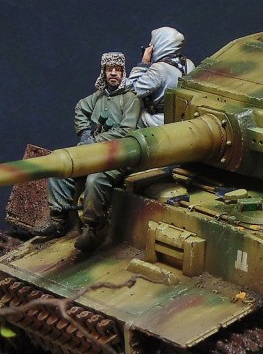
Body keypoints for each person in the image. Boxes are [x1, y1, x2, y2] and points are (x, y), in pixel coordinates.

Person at [34, 52, 141, 251]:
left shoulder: (130, 99)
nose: (113, 73)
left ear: (123, 72)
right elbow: (80, 108)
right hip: (93, 150)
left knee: (95, 180)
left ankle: (92, 228)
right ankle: (58, 219)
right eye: (109, 69)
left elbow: (126, 130)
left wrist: (96, 140)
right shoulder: (98, 97)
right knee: (60, 169)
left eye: (117, 69)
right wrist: (84, 132)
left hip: (118, 154)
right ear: (104, 72)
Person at [125, 27, 194, 127]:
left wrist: (143, 64)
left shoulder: (159, 69)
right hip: (182, 117)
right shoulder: (189, 64)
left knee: (126, 119)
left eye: (152, 44)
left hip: (159, 121)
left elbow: (130, 92)